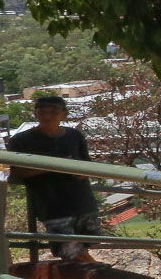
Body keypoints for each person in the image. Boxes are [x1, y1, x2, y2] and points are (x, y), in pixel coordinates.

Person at [7, 95, 102, 262]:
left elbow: (88, 165)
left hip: (82, 201)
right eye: (43, 112)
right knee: (69, 250)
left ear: (64, 114)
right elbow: (13, 171)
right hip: (51, 205)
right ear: (35, 114)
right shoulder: (20, 140)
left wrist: (80, 171)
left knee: (88, 244)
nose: (48, 116)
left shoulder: (75, 135)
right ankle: (99, 274)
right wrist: (50, 166)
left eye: (53, 112)